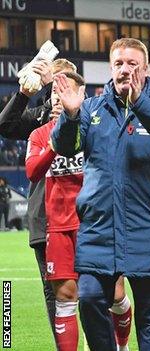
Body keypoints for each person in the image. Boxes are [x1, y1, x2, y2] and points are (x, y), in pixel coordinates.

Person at [51, 37, 150, 350]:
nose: (124, 70)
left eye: (132, 63)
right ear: (111, 67)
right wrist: (70, 116)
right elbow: (64, 146)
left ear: (144, 68)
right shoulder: (91, 107)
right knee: (88, 299)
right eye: (118, 64)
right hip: (100, 228)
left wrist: (140, 101)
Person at [0, 57, 77, 340]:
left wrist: (50, 88)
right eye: (55, 82)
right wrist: (26, 93)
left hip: (85, 216)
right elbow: (6, 126)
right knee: (53, 292)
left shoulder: (89, 116)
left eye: (65, 81)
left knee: (95, 288)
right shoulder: (40, 118)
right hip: (45, 218)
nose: (59, 87)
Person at [25, 72, 85, 351]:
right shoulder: (39, 135)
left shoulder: (91, 128)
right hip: (57, 226)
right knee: (64, 297)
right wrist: (54, 144)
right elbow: (33, 171)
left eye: (66, 91)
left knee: (108, 295)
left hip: (91, 224)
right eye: (54, 94)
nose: (59, 98)